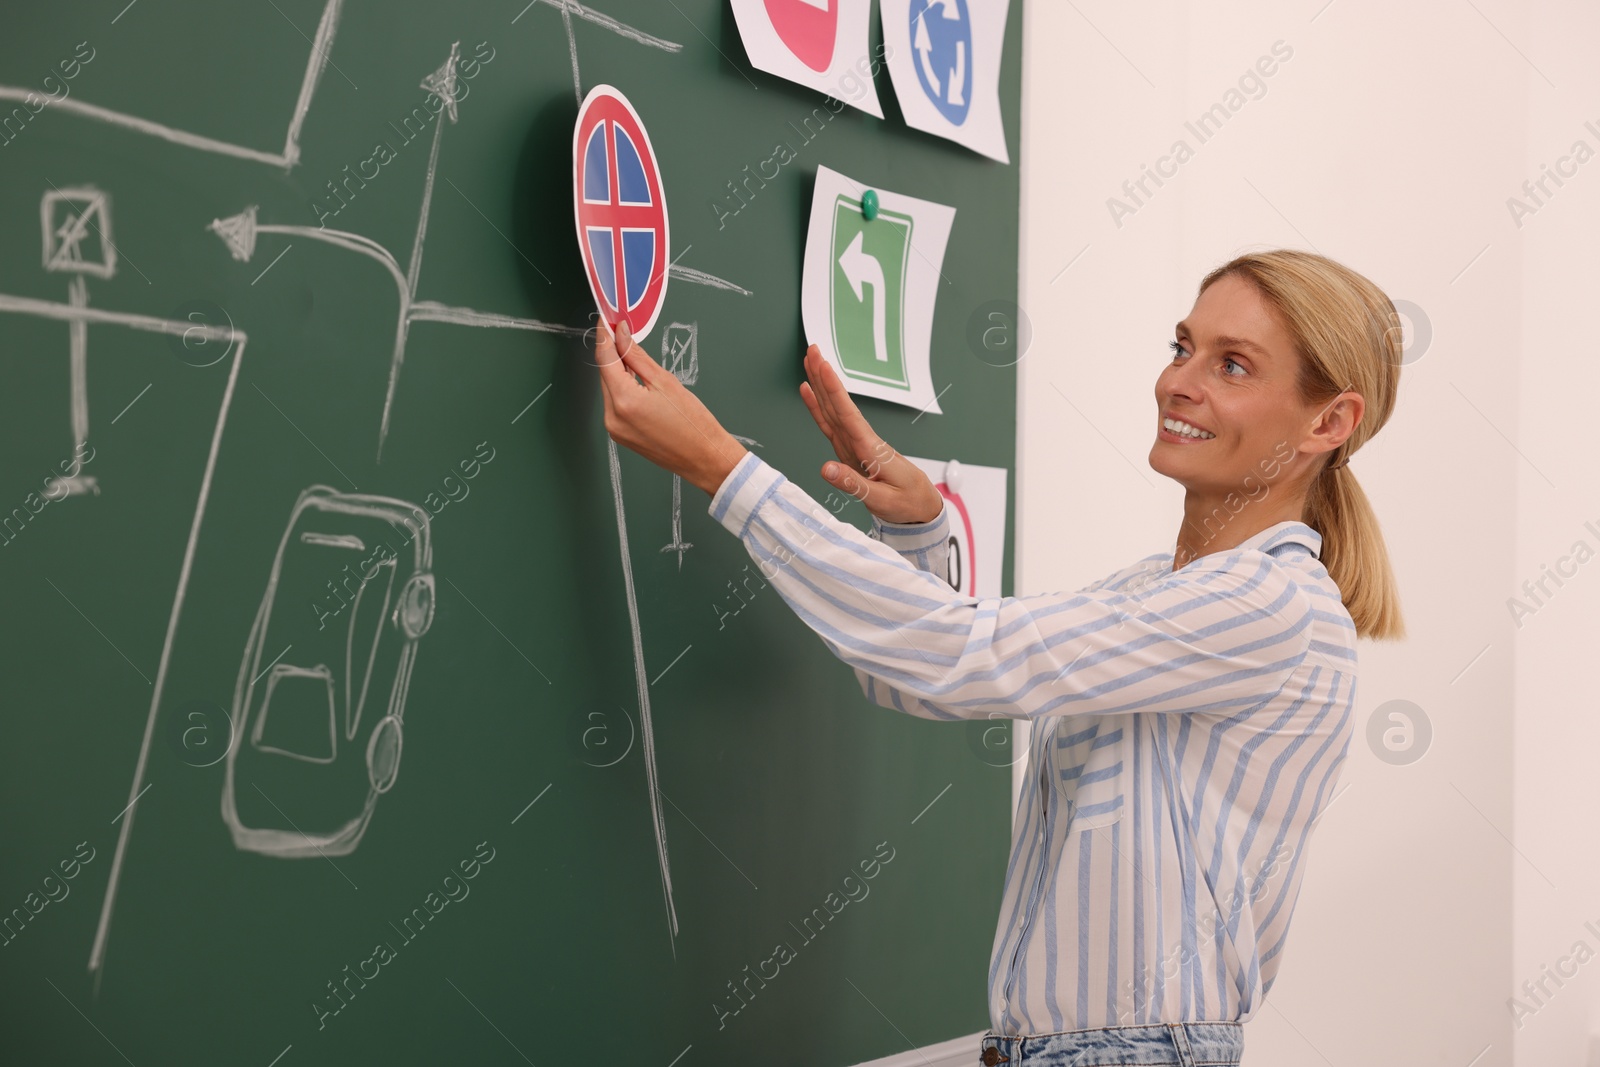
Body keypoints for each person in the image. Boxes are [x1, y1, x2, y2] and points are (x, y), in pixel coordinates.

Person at [594, 248, 1405, 1067]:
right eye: (1181, 347)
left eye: (1232, 364)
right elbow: (916, 672)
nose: (1178, 382)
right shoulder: (1155, 590)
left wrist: (723, 468)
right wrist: (918, 530)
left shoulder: (1268, 605)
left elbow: (955, 657)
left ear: (1327, 423)